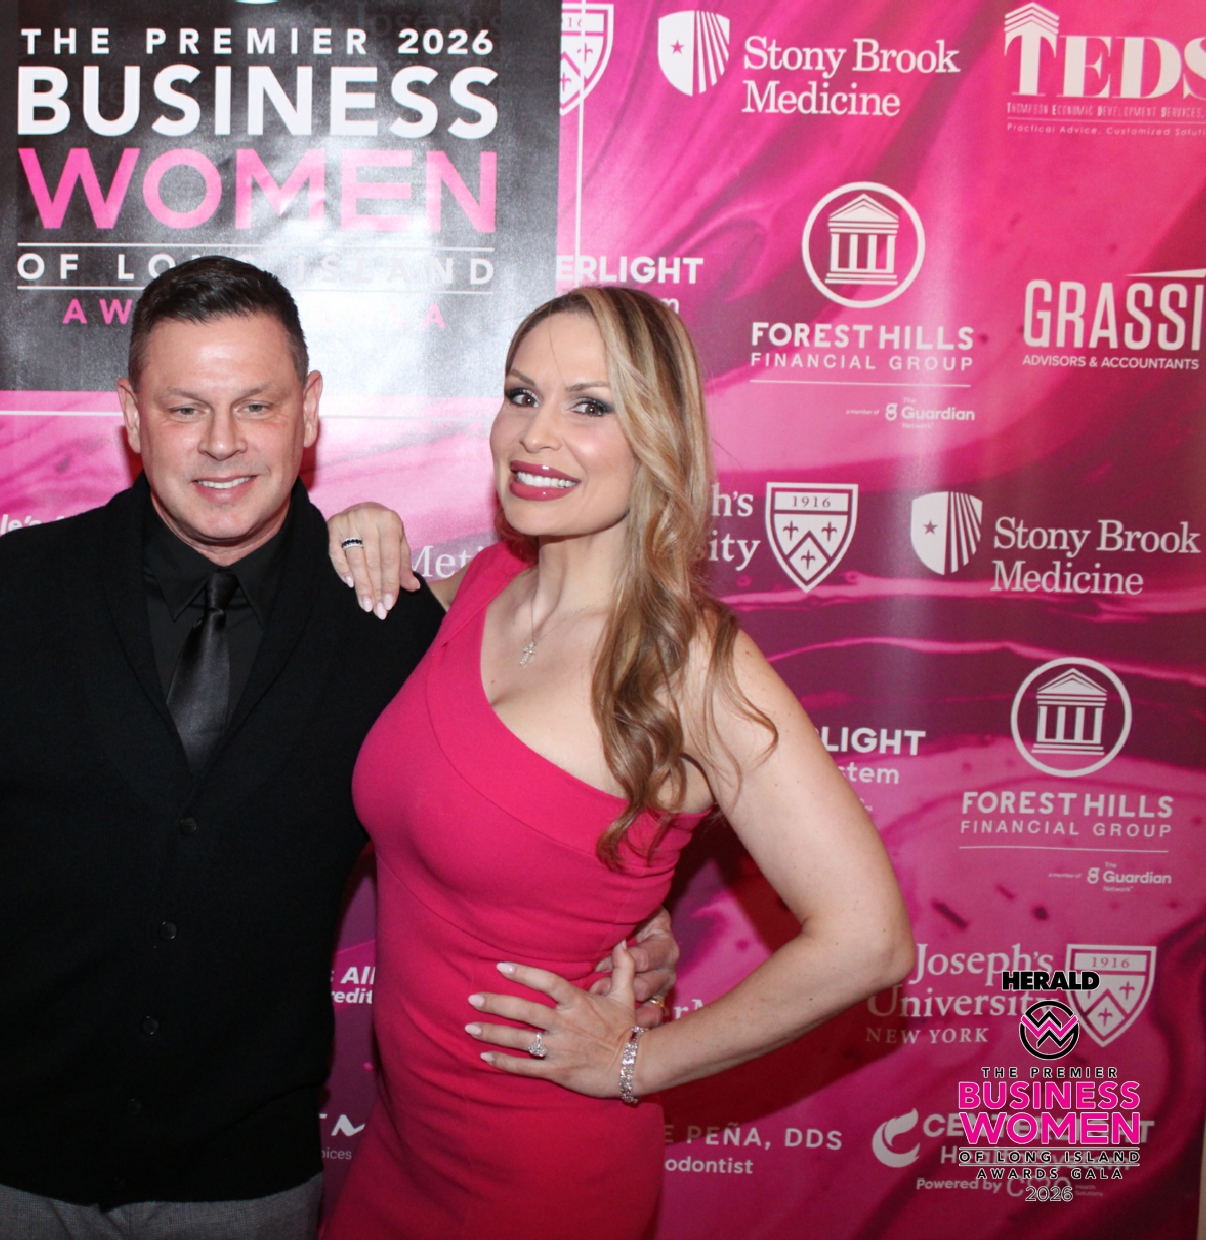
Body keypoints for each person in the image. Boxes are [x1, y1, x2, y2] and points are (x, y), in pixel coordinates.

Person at [0, 258, 680, 1240]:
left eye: (256, 405)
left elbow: (514, 805)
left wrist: (632, 917)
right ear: (130, 414)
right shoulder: (18, 590)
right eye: (184, 408)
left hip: (246, 1185)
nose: (221, 443)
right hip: (8, 1170)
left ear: (309, 410)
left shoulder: (388, 626)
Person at [322, 286, 916, 1240]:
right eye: (522, 395)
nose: (535, 434)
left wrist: (637, 1064)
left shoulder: (691, 666)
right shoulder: (482, 588)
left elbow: (868, 938)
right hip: (402, 1147)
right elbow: (343, 635)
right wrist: (353, 530)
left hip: (541, 1176)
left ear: (656, 438)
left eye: (590, 406)